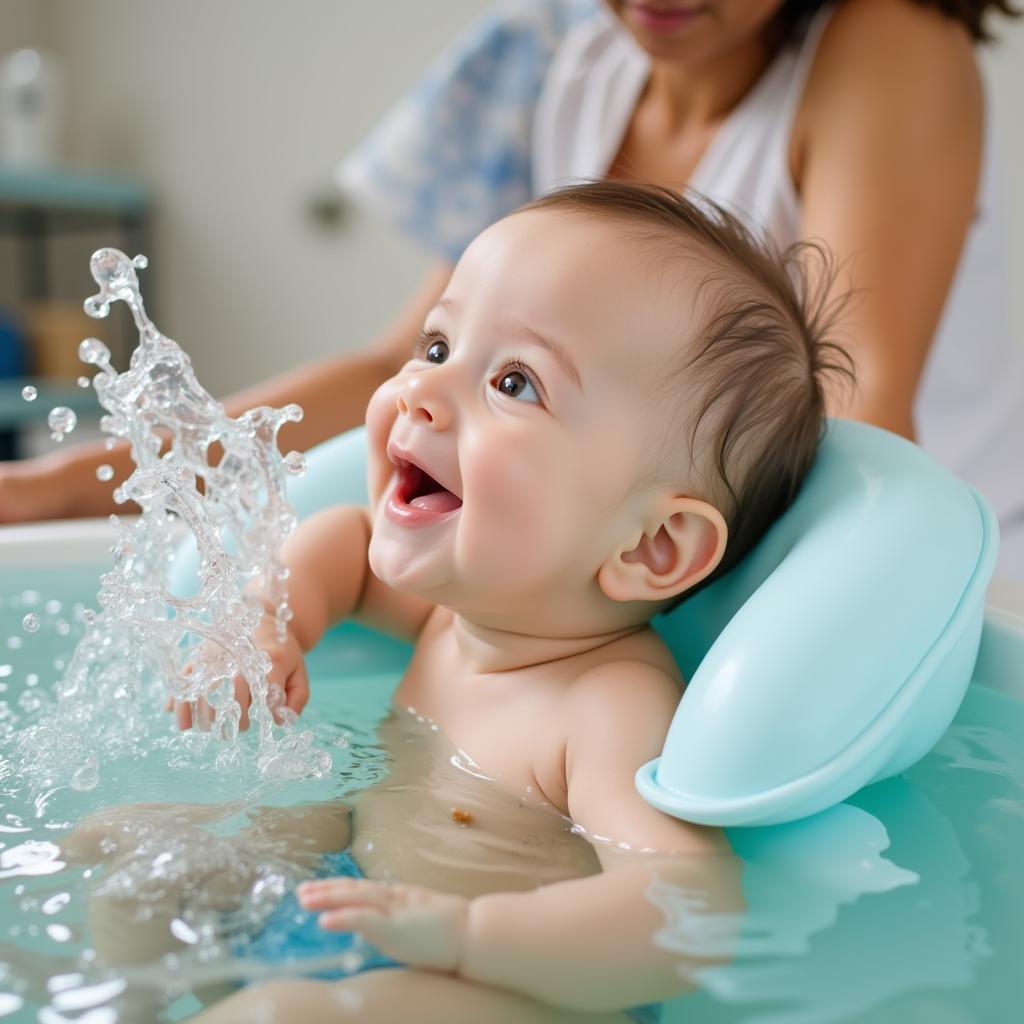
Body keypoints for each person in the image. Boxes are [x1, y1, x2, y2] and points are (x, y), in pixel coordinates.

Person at [61, 182, 851, 1023]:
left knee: (284, 1017)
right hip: (369, 904)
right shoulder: (464, 616)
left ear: (650, 546)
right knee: (140, 854)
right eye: (437, 346)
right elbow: (345, 542)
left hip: (503, 989)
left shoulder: (604, 703)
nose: (420, 391)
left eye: (516, 382)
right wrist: (270, 621)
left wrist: (473, 935)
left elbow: (690, 907)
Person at [4, 0, 1021, 579]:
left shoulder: (887, 44)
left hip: (922, 583)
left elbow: (863, 410)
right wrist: (65, 484)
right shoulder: (570, 64)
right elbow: (396, 361)